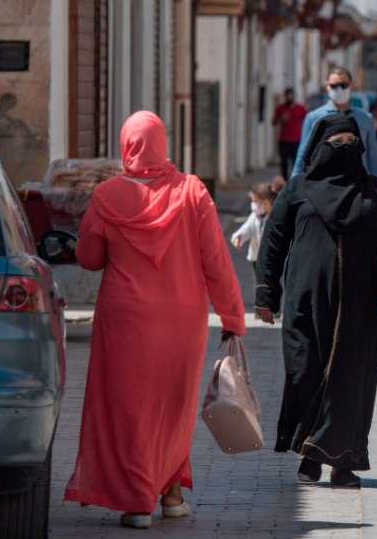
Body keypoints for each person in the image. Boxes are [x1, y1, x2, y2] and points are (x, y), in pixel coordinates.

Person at [64, 112, 246, 529]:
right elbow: (216, 261)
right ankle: (171, 494)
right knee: (172, 406)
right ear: (162, 143)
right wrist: (233, 315)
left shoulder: (107, 195)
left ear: (127, 145)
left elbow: (88, 259)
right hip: (183, 320)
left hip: (124, 320)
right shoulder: (192, 191)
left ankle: (137, 502)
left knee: (130, 408)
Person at [254, 114, 377, 488]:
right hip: (304, 303)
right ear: (319, 147)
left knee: (351, 381)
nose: (345, 148)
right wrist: (266, 291)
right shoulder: (297, 188)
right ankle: (310, 453)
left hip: (357, 308)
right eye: (336, 142)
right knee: (304, 373)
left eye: (351, 141)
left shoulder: (373, 190)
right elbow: (274, 241)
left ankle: (344, 462)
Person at [292, 67, 377, 184]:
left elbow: (375, 160)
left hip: (357, 185)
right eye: (334, 86)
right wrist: (293, 190)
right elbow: (302, 158)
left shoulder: (365, 118)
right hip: (324, 185)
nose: (339, 89)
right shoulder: (313, 118)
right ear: (326, 85)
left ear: (351, 85)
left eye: (343, 85)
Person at [230, 182, 279, 273]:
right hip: (255, 257)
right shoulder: (254, 217)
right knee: (258, 283)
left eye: (256, 202)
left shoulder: (275, 219)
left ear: (266, 203)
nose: (253, 205)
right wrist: (239, 236)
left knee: (269, 283)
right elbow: (247, 228)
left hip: (271, 259)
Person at [274, 88, 307, 181]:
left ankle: (294, 182)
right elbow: (274, 122)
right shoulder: (280, 108)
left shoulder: (300, 108)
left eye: (291, 95)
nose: (289, 97)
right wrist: (281, 118)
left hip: (296, 140)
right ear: (285, 96)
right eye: (287, 95)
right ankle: (284, 181)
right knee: (284, 162)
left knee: (295, 163)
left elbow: (307, 121)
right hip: (283, 139)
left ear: (293, 96)